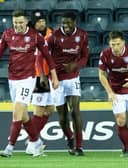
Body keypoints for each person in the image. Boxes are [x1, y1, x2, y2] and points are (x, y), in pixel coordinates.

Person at [0, 9, 59, 157]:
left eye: (20, 22)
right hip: (12, 78)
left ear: (26, 22)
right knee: (24, 115)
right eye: (15, 23)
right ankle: (36, 140)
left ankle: (10, 147)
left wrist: (54, 76)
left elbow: (48, 57)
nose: (18, 25)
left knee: (18, 110)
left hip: (28, 79)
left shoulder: (35, 37)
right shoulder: (7, 34)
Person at [47, 12, 89, 156]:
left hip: (73, 77)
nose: (65, 26)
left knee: (75, 111)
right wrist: (47, 75)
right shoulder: (54, 37)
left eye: (68, 23)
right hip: (57, 79)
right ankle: (70, 137)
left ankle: (79, 146)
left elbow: (84, 56)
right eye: (63, 23)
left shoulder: (82, 35)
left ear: (74, 22)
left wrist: (75, 65)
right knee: (63, 117)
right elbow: (44, 56)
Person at [25, 10, 56, 155]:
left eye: (43, 21)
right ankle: (32, 144)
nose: (41, 23)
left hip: (50, 76)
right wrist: (41, 75)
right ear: (33, 24)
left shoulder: (52, 34)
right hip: (38, 77)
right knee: (38, 111)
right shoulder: (30, 37)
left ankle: (33, 139)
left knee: (50, 109)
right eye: (38, 22)